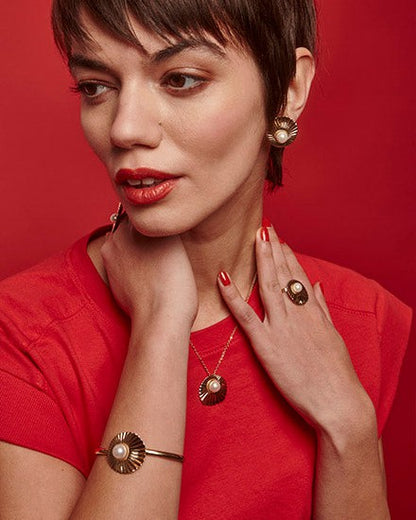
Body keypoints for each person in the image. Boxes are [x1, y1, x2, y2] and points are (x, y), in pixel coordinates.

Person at [0, 0, 412, 518]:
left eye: (180, 80)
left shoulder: (359, 319)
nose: (124, 129)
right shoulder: (23, 336)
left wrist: (347, 425)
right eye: (96, 87)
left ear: (289, 88)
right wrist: (160, 326)